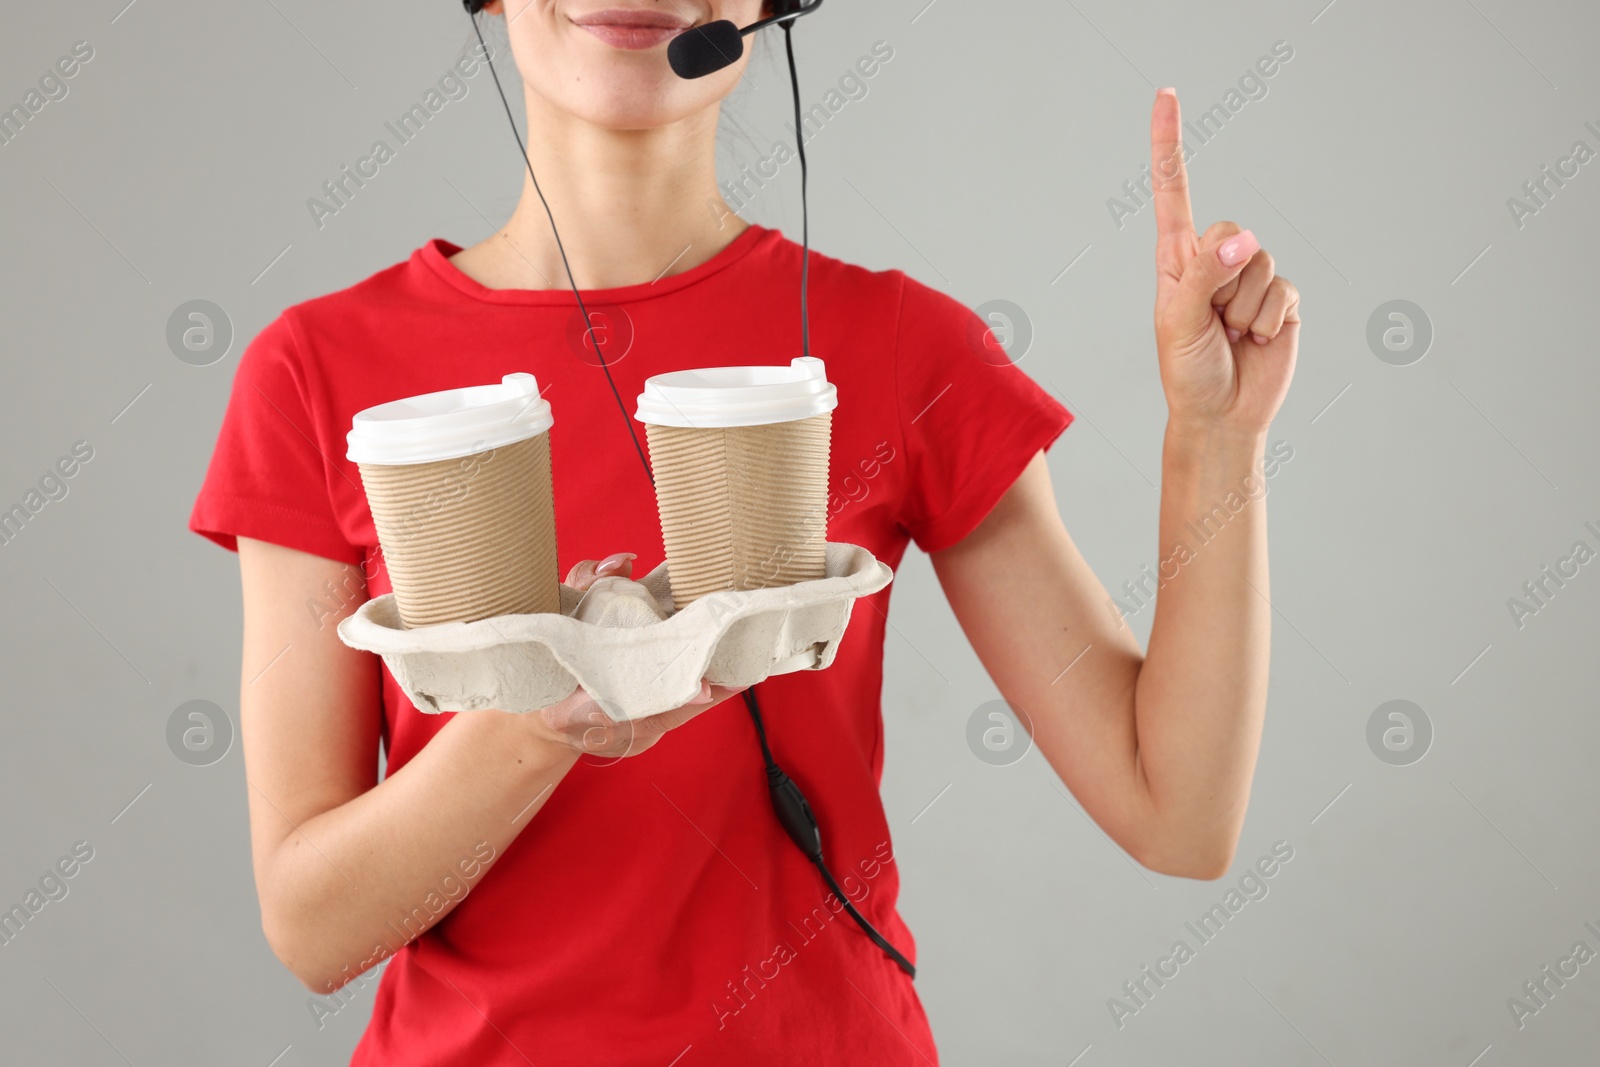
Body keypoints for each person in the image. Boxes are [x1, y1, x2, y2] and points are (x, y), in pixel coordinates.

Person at [188, 2, 1299, 1063]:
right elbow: (313, 928)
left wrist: (1214, 438)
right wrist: (550, 718)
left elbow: (1178, 811)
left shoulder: (900, 345)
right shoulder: (319, 373)